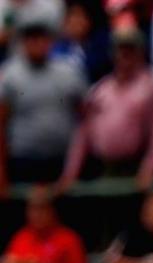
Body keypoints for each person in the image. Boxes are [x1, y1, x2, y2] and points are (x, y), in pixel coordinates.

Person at [61, 23, 153, 193]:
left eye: (130, 49)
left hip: (140, 171)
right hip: (106, 170)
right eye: (120, 49)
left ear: (140, 51)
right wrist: (70, 173)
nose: (124, 54)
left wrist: (151, 167)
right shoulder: (100, 89)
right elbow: (83, 133)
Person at [0, 7, 87, 195]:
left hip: (62, 160)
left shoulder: (68, 72)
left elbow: (85, 117)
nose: (37, 43)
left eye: (41, 37)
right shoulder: (10, 75)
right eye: (31, 38)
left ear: (50, 41)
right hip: (22, 161)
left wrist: (76, 163)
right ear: (23, 41)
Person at [3, 183, 86, 263]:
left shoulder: (68, 239)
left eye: (42, 208)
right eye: (33, 209)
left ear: (52, 210)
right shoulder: (21, 237)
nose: (37, 215)